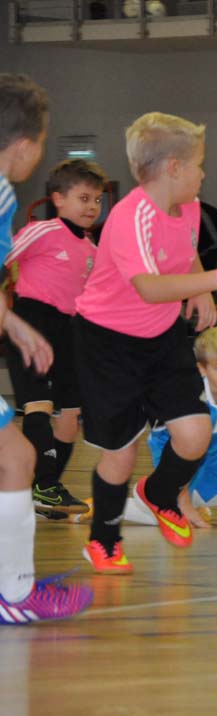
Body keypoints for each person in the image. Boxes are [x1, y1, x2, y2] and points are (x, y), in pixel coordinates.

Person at [73, 111, 217, 574]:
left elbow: (184, 251)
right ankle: (103, 542)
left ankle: (157, 494)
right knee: (121, 452)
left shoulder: (189, 206)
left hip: (160, 335)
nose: (204, 173)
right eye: (199, 164)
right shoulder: (130, 216)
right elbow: (149, 286)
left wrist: (200, 288)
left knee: (195, 434)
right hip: (108, 344)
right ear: (173, 167)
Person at [0, 73, 93, 624]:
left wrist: (11, 323)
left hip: (46, 325)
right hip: (33, 318)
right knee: (16, 457)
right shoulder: (3, 194)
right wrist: (15, 321)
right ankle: (13, 594)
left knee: (15, 457)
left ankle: (13, 586)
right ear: (26, 144)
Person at [81, 327, 217, 528]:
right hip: (171, 445)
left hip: (214, 446)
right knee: (170, 513)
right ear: (202, 369)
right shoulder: (192, 393)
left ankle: (182, 503)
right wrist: (184, 502)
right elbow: (183, 444)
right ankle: (104, 506)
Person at [5, 158, 105, 518]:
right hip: (32, 322)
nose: (92, 206)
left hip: (70, 331)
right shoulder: (42, 230)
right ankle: (45, 486)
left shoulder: (92, 249)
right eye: (84, 198)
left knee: (69, 417)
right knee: (40, 405)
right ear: (58, 198)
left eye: (97, 200)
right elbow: (4, 255)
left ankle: (44, 490)